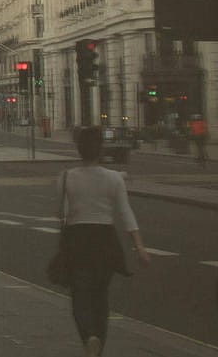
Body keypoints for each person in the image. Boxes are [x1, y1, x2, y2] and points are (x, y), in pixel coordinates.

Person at [60, 126, 150, 356]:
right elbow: (126, 213)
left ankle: (88, 336)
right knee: (100, 296)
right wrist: (139, 246)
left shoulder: (66, 177)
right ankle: (98, 343)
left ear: (79, 151)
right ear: (100, 150)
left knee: (79, 297)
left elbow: (61, 213)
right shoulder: (114, 179)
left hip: (77, 239)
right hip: (104, 240)